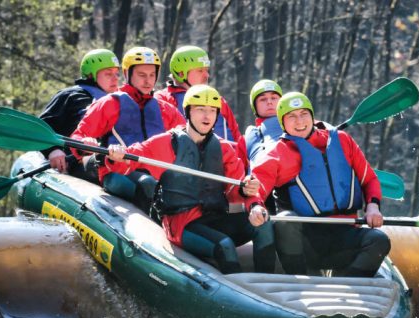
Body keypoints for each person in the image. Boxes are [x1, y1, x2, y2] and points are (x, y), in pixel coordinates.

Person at [106, 85, 276, 274]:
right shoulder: (166, 143)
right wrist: (116, 155)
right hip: (182, 224)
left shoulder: (223, 148)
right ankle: (237, 298)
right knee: (224, 245)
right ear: (188, 112)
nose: (207, 116)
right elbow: (127, 161)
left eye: (212, 111)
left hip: (214, 217)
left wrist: (253, 203)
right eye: (200, 110)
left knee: (263, 223)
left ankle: (267, 283)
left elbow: (238, 188)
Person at [248, 92, 389, 278]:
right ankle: (299, 280)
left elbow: (369, 179)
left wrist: (372, 206)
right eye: (291, 116)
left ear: (312, 117)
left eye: (304, 114)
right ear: (282, 122)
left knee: (379, 241)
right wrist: (255, 207)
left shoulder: (343, 140)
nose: (299, 121)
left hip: (345, 232)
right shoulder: (278, 153)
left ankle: (347, 282)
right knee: (284, 221)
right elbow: (256, 187)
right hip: (305, 242)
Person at [71, 46, 185, 210]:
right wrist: (85, 143)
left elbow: (188, 137)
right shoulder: (109, 103)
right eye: (142, 75)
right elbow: (79, 136)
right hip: (118, 172)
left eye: (152, 75)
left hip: (156, 174)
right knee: (147, 184)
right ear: (127, 74)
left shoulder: (165, 109)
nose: (148, 81)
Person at [39, 48, 120, 181]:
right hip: (74, 164)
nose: (115, 79)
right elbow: (43, 127)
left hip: (110, 161)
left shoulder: (121, 101)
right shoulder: (70, 96)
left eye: (117, 74)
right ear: (90, 75)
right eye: (108, 74)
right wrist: (52, 150)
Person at [155, 46, 242, 145]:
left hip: (223, 158)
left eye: (207, 70)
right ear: (181, 73)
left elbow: (236, 137)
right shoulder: (162, 100)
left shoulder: (217, 99)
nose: (207, 75)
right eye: (200, 70)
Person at [242, 79, 284, 164]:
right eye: (263, 99)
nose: (269, 102)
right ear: (255, 106)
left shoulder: (300, 126)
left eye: (274, 98)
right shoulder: (247, 138)